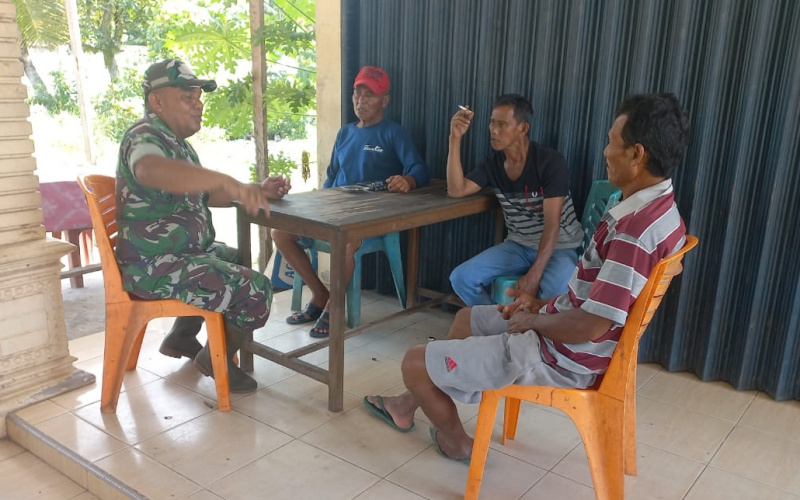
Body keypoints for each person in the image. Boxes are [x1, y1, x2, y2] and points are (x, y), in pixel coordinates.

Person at [364, 93, 689, 463]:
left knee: (413, 363)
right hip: (570, 337)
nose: (605, 151)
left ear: (637, 154)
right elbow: (591, 304)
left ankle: (457, 442)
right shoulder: (662, 212)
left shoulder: (634, 231)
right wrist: (540, 307)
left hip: (563, 356)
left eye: (612, 143)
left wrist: (533, 321)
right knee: (466, 318)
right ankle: (418, 398)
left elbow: (592, 324)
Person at [115, 58, 291, 393]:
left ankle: (182, 336)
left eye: (198, 97)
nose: (198, 105)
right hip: (153, 266)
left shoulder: (177, 144)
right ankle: (214, 360)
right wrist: (224, 179)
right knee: (255, 288)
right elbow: (149, 169)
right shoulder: (145, 136)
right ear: (157, 101)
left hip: (179, 255)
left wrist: (255, 190)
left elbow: (206, 193)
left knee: (236, 257)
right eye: (187, 97)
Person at [271, 65, 430, 338]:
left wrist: (409, 180)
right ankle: (320, 295)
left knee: (346, 241)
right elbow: (332, 175)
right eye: (357, 93)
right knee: (280, 233)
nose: (361, 100)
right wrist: (318, 207)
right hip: (335, 212)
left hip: (370, 219)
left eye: (370, 95)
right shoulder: (345, 133)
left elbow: (420, 169)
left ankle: (334, 308)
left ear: (384, 100)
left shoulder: (393, 133)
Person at [446, 94, 583, 305]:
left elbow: (552, 225)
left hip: (559, 247)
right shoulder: (492, 165)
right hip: (518, 246)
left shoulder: (550, 162)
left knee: (553, 294)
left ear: (523, 128)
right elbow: (457, 190)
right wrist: (454, 139)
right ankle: (498, 322)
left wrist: (535, 274)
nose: (493, 130)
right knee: (461, 278)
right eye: (492, 122)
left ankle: (531, 327)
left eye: (502, 124)